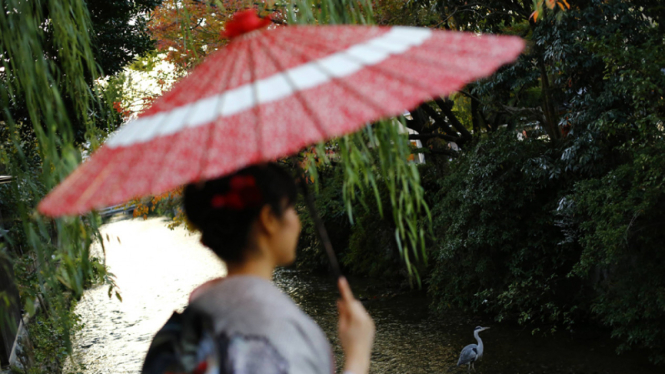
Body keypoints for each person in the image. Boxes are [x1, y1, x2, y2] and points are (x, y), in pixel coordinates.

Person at [142, 163, 375, 374]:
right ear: (268, 219)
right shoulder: (285, 334)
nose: (297, 220)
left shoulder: (175, 336)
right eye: (291, 208)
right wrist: (358, 356)